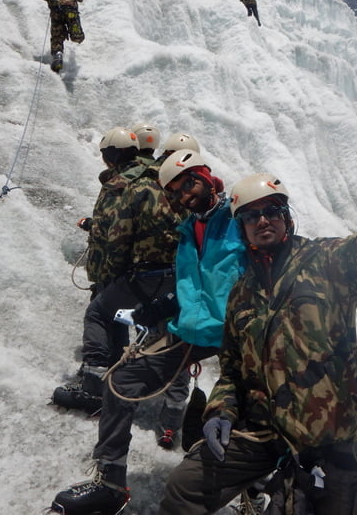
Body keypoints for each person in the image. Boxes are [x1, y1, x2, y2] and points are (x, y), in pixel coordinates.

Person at [159, 162, 357, 515]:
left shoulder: (326, 263)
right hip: (262, 429)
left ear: (286, 217)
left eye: (272, 211)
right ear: (241, 228)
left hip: (326, 436)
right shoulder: (242, 294)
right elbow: (231, 371)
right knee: (185, 488)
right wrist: (220, 410)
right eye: (251, 216)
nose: (263, 221)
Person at [51, 149, 247, 515]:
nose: (184, 195)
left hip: (244, 333)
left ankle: (262, 493)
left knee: (256, 411)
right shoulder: (188, 230)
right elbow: (194, 288)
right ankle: (109, 483)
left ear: (206, 177)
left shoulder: (239, 217)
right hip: (196, 331)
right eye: (174, 192)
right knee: (120, 382)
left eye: (189, 183)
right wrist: (156, 309)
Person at [52, 127, 147, 414]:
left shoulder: (120, 184)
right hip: (143, 269)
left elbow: (117, 233)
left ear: (111, 155)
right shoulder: (149, 179)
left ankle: (93, 389)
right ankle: (114, 379)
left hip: (122, 269)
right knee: (116, 320)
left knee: (97, 315)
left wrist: (108, 275)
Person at [39, 0, 85, 72]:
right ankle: (76, 33)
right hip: (70, 9)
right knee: (76, 31)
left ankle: (58, 55)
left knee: (57, 35)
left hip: (56, 9)